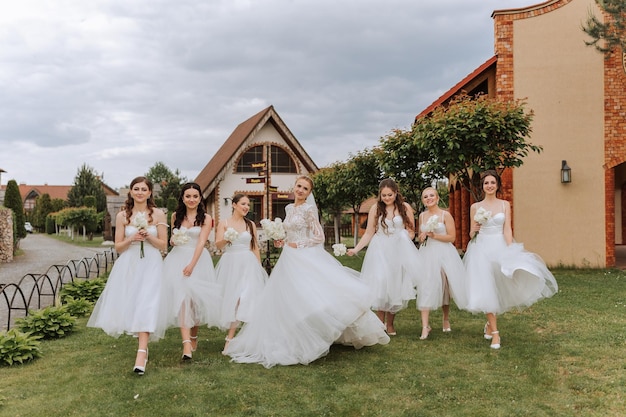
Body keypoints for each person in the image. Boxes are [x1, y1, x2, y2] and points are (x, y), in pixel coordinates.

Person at [225, 176, 389, 368]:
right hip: (289, 257)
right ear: (294, 187)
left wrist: (298, 244)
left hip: (303, 256)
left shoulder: (309, 209)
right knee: (288, 298)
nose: (301, 190)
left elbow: (319, 237)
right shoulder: (288, 208)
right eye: (299, 186)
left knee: (310, 294)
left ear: (309, 193)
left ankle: (318, 331)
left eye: (305, 188)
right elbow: (289, 232)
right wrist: (281, 240)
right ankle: (291, 336)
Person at [463, 170, 558, 349]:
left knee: (501, 284)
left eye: (492, 182)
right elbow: (470, 233)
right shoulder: (475, 207)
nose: (489, 186)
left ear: (497, 185)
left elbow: (507, 229)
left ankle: (489, 324)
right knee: (486, 288)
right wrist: (474, 229)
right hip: (481, 249)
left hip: (499, 245)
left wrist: (510, 250)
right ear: (482, 186)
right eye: (486, 183)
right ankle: (496, 333)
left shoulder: (505, 204)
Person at [87, 176, 168, 375]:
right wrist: (133, 238)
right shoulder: (122, 216)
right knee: (134, 303)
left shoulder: (158, 214)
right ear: (131, 192)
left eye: (144, 189)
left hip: (151, 263)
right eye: (136, 189)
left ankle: (141, 352)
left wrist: (148, 236)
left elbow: (164, 244)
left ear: (150, 193)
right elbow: (119, 247)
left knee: (147, 302)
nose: (140, 192)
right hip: (130, 263)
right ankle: (141, 344)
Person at [347, 178, 419, 336]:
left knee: (395, 285)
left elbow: (412, 231)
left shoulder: (405, 207)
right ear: (380, 195)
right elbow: (369, 233)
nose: (387, 198)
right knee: (381, 283)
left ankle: (391, 324)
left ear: (396, 193)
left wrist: (404, 236)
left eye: (390, 195)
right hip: (380, 250)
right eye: (384, 195)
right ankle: (380, 323)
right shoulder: (375, 208)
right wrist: (356, 249)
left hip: (399, 251)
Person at [162, 182, 222, 360]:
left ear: (200, 198)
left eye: (195, 196)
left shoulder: (206, 218)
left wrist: (192, 265)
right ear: (182, 198)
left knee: (195, 303)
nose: (191, 199)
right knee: (182, 301)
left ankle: (194, 336)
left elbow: (202, 242)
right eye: (188, 196)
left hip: (198, 260)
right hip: (177, 259)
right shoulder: (175, 216)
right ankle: (186, 344)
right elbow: (173, 236)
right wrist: (173, 241)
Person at [214, 194, 268, 353]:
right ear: (234, 205)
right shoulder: (223, 223)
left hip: (248, 263)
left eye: (248, 205)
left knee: (246, 298)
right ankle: (231, 337)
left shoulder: (250, 224)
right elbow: (218, 245)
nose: (246, 207)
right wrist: (226, 239)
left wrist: (258, 267)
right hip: (231, 264)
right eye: (243, 204)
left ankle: (235, 338)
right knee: (234, 300)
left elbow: (255, 247)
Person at [415, 187, 467, 340]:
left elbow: (452, 237)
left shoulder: (446, 215)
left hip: (445, 253)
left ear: (437, 198)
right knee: (425, 286)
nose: (429, 198)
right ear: (423, 201)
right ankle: (425, 326)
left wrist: (434, 235)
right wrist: (422, 237)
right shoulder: (422, 216)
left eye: (431, 195)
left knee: (445, 286)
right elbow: (420, 236)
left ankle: (445, 319)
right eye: (425, 196)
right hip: (427, 254)